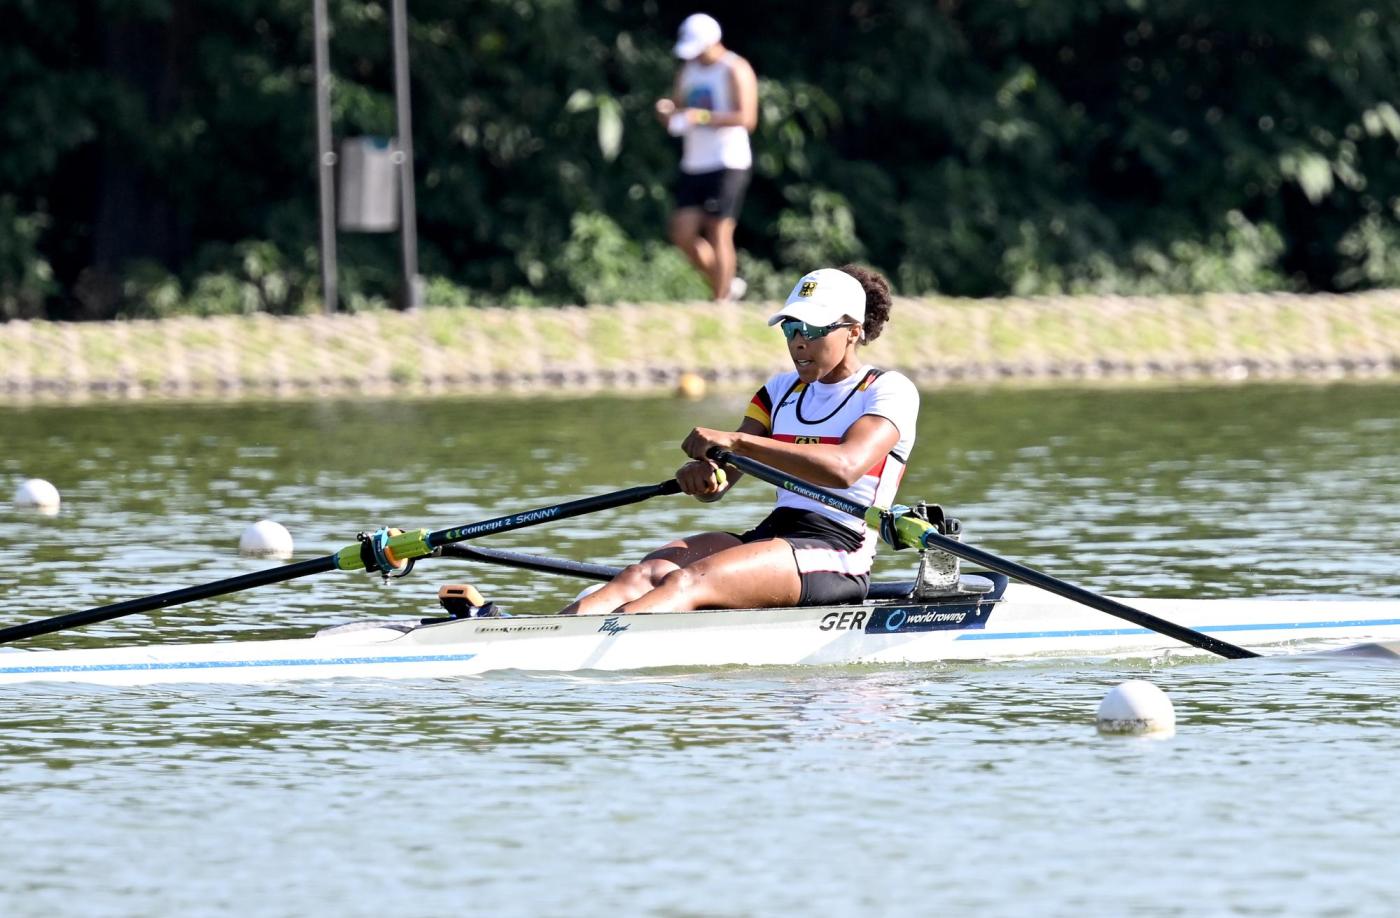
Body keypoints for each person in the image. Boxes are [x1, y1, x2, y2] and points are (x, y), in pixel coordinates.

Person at [563, 265, 919, 615]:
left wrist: (736, 443)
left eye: (812, 330)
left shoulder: (888, 390)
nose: (798, 342)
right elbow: (722, 479)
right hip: (772, 534)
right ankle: (551, 633)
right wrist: (704, 475)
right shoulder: (779, 391)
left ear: (853, 331)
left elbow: (845, 468)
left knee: (686, 582)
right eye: (791, 328)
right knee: (642, 574)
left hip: (838, 549)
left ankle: (609, 637)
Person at [654, 13, 757, 302]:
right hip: (694, 162)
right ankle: (727, 286)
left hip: (727, 161)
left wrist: (700, 117)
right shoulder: (689, 70)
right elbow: (678, 106)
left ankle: (720, 301)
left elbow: (747, 118)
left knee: (718, 230)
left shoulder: (734, 69)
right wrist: (666, 110)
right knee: (682, 232)